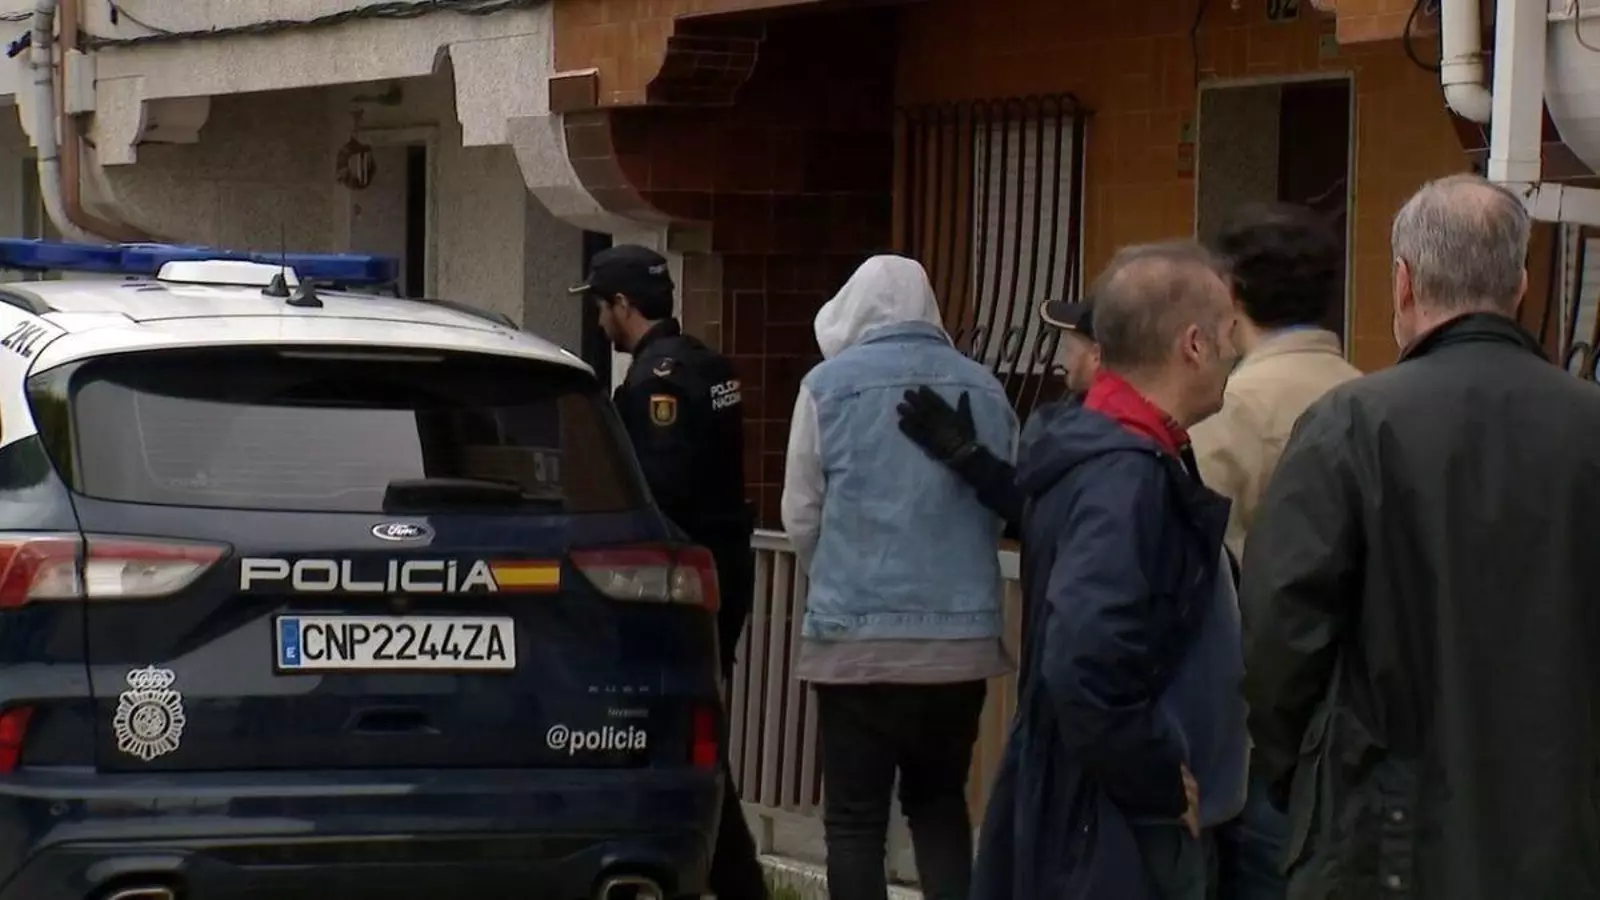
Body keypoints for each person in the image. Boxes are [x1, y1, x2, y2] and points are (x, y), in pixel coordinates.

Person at [1239, 175, 1600, 900]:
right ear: (1521, 284)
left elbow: (1280, 634)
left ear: (1403, 283)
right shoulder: (1589, 423)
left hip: (1384, 837)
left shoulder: (1349, 425)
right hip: (1568, 832)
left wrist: (1306, 779)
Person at [971, 241, 1249, 900]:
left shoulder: (1124, 454)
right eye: (1228, 331)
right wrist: (1157, 776)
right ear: (1194, 345)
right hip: (1115, 833)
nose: (1238, 348)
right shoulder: (1124, 476)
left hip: (1107, 820)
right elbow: (1085, 658)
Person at [780, 254, 1017, 900]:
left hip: (854, 643)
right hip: (959, 647)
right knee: (939, 804)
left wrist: (835, 577)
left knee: (855, 821)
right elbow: (1003, 502)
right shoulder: (986, 389)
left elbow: (801, 513)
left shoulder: (825, 387)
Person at [570, 244, 767, 900]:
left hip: (679, 588)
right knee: (694, 729)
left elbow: (661, 496)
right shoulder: (709, 365)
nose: (599, 321)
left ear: (623, 305)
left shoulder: (657, 382)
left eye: (601, 307)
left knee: (681, 733)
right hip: (720, 573)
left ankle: (732, 880)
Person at [1188, 203, 1362, 900]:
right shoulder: (1370, 394)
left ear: (1230, 293)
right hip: (1362, 723)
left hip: (1257, 731)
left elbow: (1194, 563)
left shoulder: (1229, 408)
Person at [895, 298, 1100, 531]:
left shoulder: (1096, 432)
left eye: (1071, 348)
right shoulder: (1082, 417)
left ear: (1096, 355)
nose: (1065, 358)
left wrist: (969, 456)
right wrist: (968, 454)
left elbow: (1046, 516)